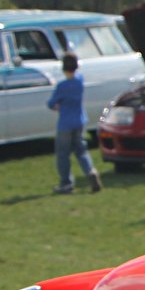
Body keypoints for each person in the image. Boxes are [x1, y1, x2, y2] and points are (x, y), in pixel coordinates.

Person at [47, 52, 102, 194]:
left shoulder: (62, 86)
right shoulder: (80, 81)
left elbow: (51, 103)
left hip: (65, 123)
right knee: (81, 150)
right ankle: (91, 171)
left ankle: (66, 183)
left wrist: (56, 105)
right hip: (79, 120)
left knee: (63, 154)